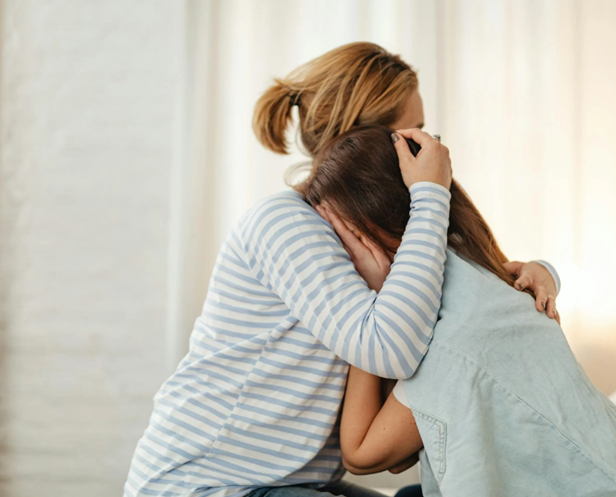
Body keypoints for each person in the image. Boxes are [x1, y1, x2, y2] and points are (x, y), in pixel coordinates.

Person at [124, 42, 561, 497]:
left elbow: (464, 293)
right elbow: (388, 348)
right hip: (208, 486)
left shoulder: (375, 232)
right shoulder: (284, 223)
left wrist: (540, 272)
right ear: (363, 143)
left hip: (296, 483)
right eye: (414, 134)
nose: (430, 150)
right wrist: (431, 192)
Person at [300, 125, 616, 497]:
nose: (335, 262)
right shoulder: (472, 274)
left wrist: (369, 310)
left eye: (339, 241)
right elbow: (405, 453)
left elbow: (362, 453)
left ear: (373, 229)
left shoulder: (457, 336)